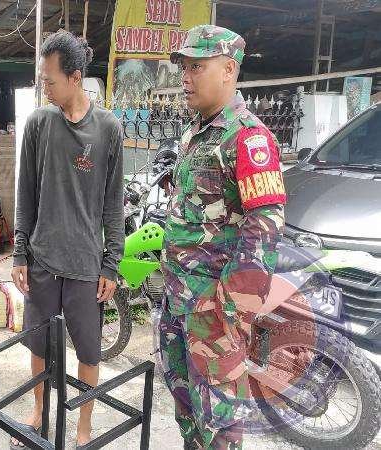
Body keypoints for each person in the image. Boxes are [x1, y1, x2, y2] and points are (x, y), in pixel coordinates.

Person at [160, 25, 287, 449]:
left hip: (213, 312)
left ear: (229, 69)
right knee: (186, 406)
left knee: (220, 419)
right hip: (179, 299)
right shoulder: (197, 132)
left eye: (197, 67)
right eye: (183, 67)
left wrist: (227, 309)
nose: (185, 77)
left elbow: (265, 226)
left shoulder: (248, 137)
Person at [11, 30, 124, 447]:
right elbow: (26, 192)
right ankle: (39, 411)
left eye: (50, 80)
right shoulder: (39, 123)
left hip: (85, 265)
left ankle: (83, 427)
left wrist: (111, 263)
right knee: (39, 344)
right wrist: (19, 252)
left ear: (75, 78)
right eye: (42, 79)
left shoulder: (108, 128)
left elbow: (113, 203)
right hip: (42, 259)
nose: (45, 87)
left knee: (89, 352)